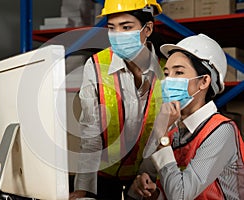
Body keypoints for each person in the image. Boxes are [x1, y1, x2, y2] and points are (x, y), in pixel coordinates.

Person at [128, 34, 244, 200]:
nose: (168, 80)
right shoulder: (171, 128)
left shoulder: (221, 131)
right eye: (167, 73)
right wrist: (151, 192)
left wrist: (161, 136)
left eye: (179, 72)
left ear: (204, 81)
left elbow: (180, 196)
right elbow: (144, 183)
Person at [69, 0, 164, 199]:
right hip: (102, 179)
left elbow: (162, 135)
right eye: (112, 28)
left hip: (148, 178)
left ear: (147, 29)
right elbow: (91, 134)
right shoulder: (96, 65)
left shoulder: (166, 71)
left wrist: (147, 177)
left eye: (126, 27)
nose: (118, 35)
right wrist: (82, 189)